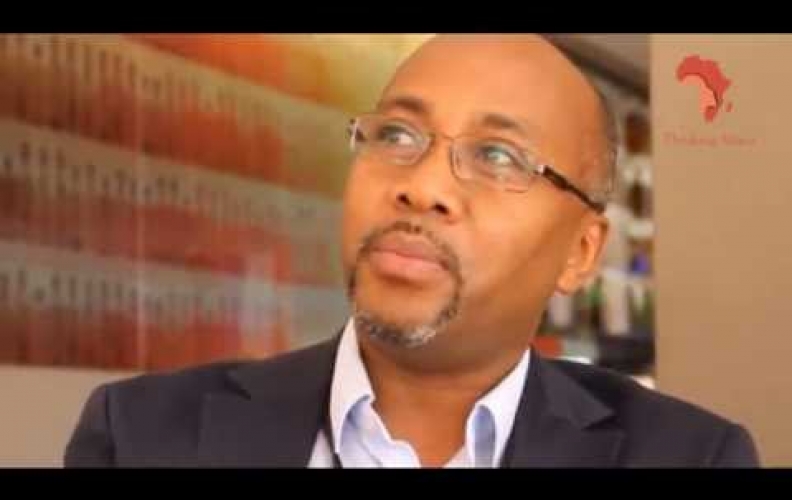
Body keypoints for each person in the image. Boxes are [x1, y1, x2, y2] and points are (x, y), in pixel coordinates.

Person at [64, 34, 760, 468]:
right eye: (397, 136)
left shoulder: (691, 457)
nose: (422, 187)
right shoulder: (141, 437)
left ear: (581, 252)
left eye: (497, 155)